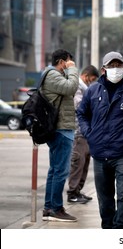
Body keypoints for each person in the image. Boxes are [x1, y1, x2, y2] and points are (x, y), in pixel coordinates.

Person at [77, 51, 123, 229]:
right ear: (104, 69)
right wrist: (89, 133)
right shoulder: (93, 91)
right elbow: (82, 113)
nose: (116, 69)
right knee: (105, 198)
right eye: (112, 65)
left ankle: (121, 231)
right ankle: (108, 229)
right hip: (100, 153)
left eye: (119, 65)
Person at [41, 49, 79, 222]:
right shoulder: (53, 75)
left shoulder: (53, 76)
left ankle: (49, 207)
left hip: (60, 128)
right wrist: (73, 69)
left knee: (55, 170)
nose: (70, 65)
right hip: (61, 129)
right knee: (60, 171)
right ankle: (56, 208)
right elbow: (72, 87)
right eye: (68, 62)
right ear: (62, 62)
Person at [66, 65, 99, 204]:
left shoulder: (86, 89)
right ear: (85, 76)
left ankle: (78, 190)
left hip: (86, 133)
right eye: (91, 79)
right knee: (78, 163)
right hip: (78, 132)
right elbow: (79, 106)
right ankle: (72, 192)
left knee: (84, 164)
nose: (92, 82)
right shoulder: (78, 87)